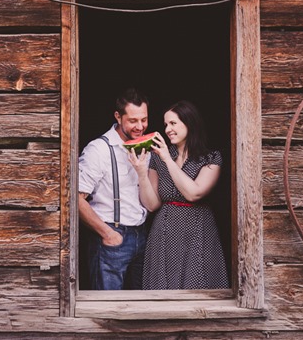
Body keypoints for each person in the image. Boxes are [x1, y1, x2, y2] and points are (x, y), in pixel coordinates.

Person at [128, 100, 229, 290]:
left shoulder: (211, 158)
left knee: (198, 283)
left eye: (173, 123)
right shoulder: (157, 158)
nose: (167, 129)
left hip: (198, 229)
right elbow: (152, 204)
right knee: (162, 288)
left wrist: (167, 159)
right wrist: (141, 173)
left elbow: (194, 193)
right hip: (164, 230)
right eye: (166, 124)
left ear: (189, 123)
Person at [78, 87, 150, 290]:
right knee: (107, 307)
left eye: (143, 120)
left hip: (141, 235)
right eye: (133, 120)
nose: (140, 126)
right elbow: (75, 198)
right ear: (118, 117)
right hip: (111, 237)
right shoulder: (98, 150)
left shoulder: (146, 147)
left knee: (140, 308)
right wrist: (108, 234)